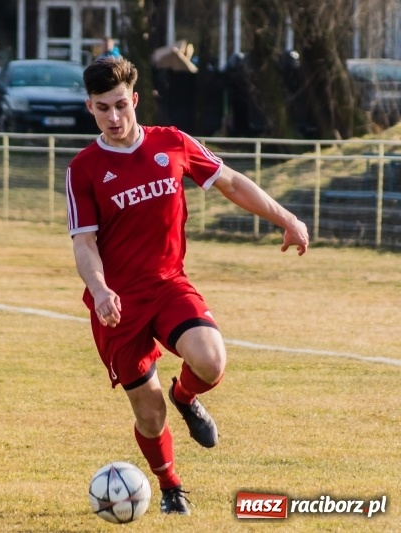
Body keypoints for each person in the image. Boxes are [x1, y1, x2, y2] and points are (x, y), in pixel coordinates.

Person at [66, 57, 308, 515]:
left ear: (134, 100)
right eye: (103, 109)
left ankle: (186, 395)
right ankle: (171, 486)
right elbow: (84, 242)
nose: (114, 118)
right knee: (149, 415)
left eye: (121, 105)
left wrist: (287, 218)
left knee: (211, 360)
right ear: (90, 108)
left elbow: (231, 182)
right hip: (117, 304)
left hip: (169, 285)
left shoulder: (172, 143)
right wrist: (99, 289)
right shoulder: (84, 168)